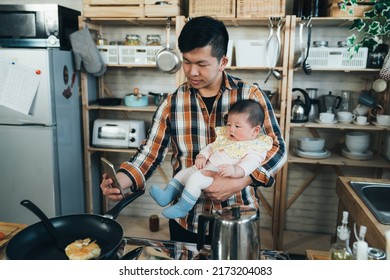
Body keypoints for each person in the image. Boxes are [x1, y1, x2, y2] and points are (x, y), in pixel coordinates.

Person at [100, 16, 287, 244]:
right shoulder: (173, 102)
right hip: (186, 220)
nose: (192, 72)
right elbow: (149, 154)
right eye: (187, 62)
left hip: (237, 217)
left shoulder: (251, 96)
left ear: (222, 61)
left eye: (201, 64)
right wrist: (121, 180)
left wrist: (241, 181)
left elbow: (277, 149)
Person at [149, 99, 273, 219]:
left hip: (218, 175)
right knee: (183, 174)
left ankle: (183, 207)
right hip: (205, 166)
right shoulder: (226, 138)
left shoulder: (255, 147)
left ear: (255, 131)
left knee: (195, 180)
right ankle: (166, 195)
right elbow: (211, 147)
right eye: (229, 124)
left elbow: (251, 164)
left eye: (237, 126)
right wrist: (202, 156)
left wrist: (236, 170)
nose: (231, 129)